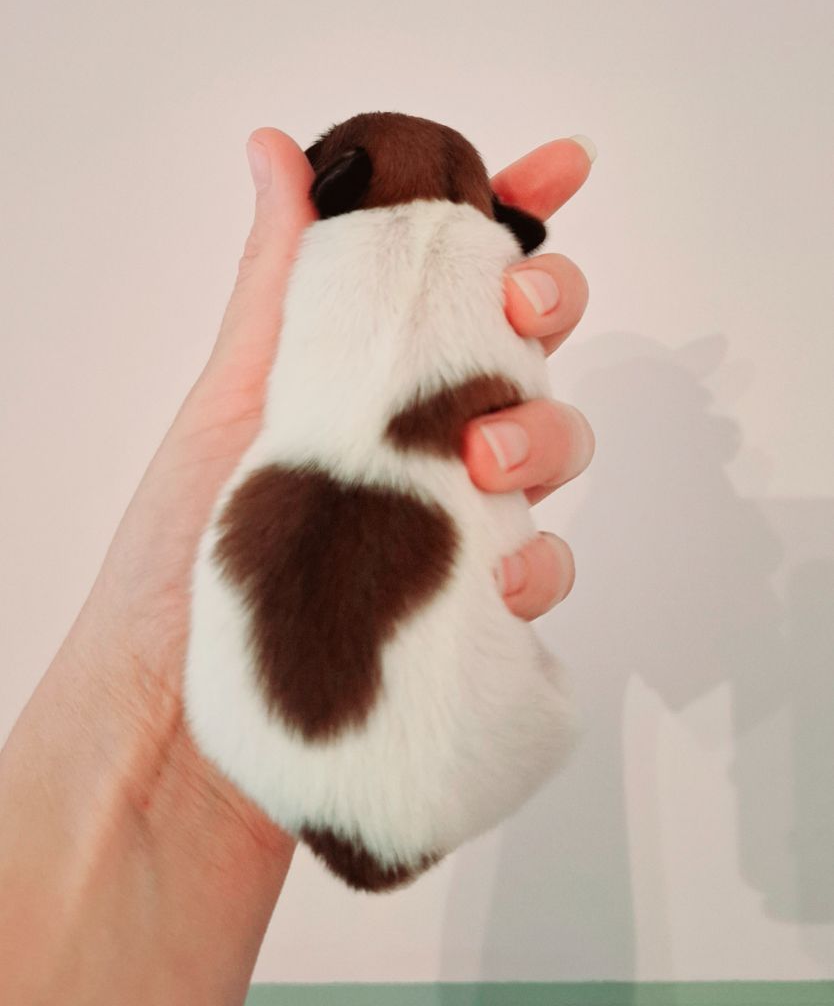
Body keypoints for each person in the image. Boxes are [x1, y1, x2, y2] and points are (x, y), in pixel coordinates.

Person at [0, 127, 596, 1003]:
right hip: (409, 750)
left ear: (328, 191)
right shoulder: (488, 297)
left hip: (260, 720)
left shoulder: (321, 279)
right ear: (499, 226)